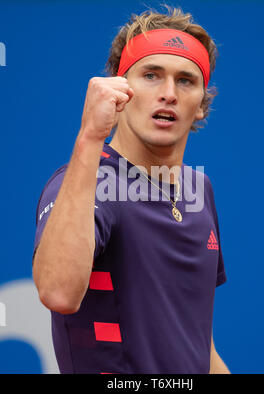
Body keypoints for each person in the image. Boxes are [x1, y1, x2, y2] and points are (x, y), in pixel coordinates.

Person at [32, 7, 230, 374]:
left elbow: (200, 344)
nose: (168, 93)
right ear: (121, 91)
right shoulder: (82, 182)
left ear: (202, 104)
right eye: (151, 75)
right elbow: (57, 293)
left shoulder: (199, 188)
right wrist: (91, 135)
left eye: (185, 80)